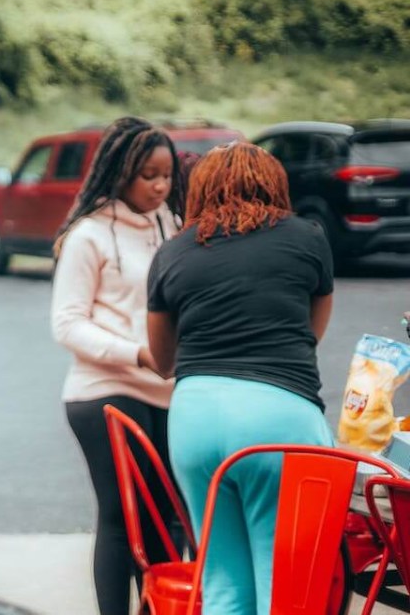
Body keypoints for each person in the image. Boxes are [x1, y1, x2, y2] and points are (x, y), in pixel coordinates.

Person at [143, 142, 335, 615]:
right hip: (280, 420)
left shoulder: (173, 251)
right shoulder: (307, 237)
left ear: (200, 189)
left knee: (224, 582)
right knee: (285, 584)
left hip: (196, 421)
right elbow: (311, 334)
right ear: (275, 184)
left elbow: (164, 361)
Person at [51, 116, 185, 615]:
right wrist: (137, 354)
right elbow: (67, 325)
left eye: (167, 175)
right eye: (148, 174)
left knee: (166, 520)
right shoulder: (89, 235)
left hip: (165, 392)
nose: (160, 185)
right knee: (121, 517)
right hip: (102, 390)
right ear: (120, 171)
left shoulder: (171, 225)